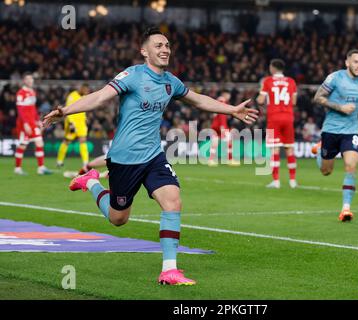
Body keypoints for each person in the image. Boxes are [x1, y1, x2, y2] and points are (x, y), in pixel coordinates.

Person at [43, 27, 258, 286]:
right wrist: (65, 111)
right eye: (158, 45)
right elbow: (100, 98)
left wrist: (232, 110)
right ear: (144, 51)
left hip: (154, 155)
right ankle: (90, 181)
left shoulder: (171, 81)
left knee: (173, 201)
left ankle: (169, 270)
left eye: (167, 45)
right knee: (118, 219)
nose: (165, 49)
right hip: (124, 158)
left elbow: (198, 100)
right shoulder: (132, 75)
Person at [311, 49, 358, 222]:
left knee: (351, 166)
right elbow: (318, 97)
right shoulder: (335, 78)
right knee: (326, 171)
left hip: (351, 132)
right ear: (347, 63)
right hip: (331, 130)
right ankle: (320, 148)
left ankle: (346, 209)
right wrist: (340, 107)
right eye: (355, 62)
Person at [256, 59, 298, 189]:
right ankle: (292, 181)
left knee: (275, 149)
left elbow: (261, 100)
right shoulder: (291, 81)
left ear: (273, 68)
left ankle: (276, 181)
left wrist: (260, 94)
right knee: (289, 149)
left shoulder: (267, 81)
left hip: (274, 118)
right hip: (288, 117)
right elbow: (294, 102)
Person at [14, 72, 52, 175]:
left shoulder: (32, 92)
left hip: (32, 122)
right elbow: (20, 109)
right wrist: (25, 123)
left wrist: (37, 120)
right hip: (23, 124)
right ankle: (17, 169)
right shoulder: (20, 93)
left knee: (39, 142)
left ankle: (41, 168)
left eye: (31, 79)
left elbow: (33, 108)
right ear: (24, 81)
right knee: (22, 145)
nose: (30, 81)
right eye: (28, 79)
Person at [56, 83, 91, 167]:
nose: (87, 92)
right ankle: (59, 161)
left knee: (83, 140)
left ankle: (86, 162)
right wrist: (71, 123)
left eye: (88, 90)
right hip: (72, 122)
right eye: (85, 90)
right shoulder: (72, 96)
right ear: (81, 88)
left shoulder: (84, 97)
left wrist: (85, 117)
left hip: (81, 123)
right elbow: (68, 110)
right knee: (67, 141)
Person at [207, 90, 239, 166]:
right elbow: (221, 114)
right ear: (225, 94)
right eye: (228, 95)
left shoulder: (216, 101)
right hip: (221, 125)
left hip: (215, 124)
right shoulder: (222, 101)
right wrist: (222, 126)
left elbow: (214, 114)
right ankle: (230, 160)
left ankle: (211, 160)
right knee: (229, 141)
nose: (229, 97)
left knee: (215, 142)